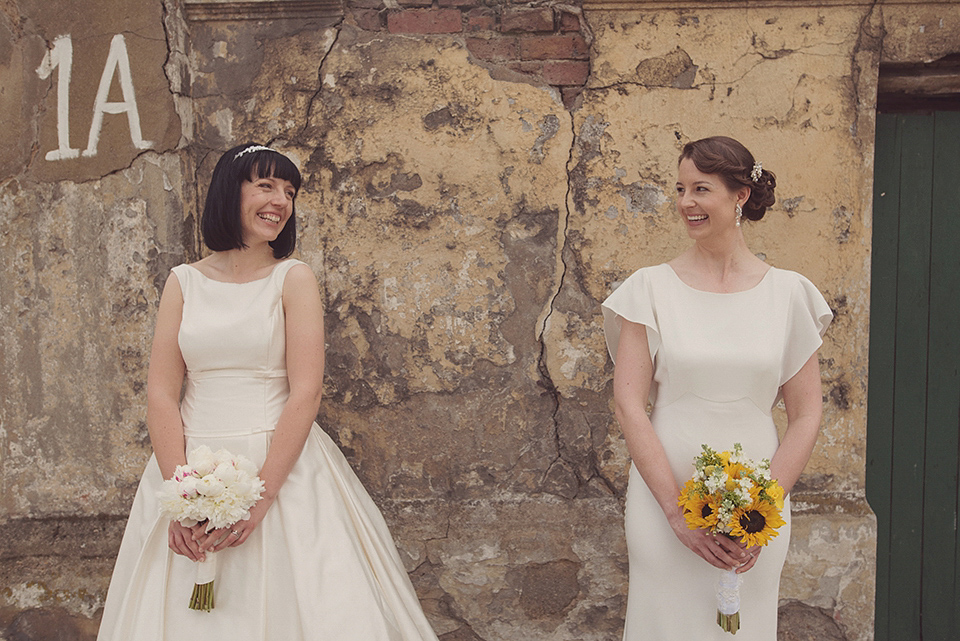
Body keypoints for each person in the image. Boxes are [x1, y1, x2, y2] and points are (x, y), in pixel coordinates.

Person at [97, 143, 440, 641]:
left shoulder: (292, 279)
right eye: (265, 186)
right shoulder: (183, 282)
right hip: (188, 461)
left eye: (289, 192)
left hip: (281, 466)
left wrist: (260, 499)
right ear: (228, 192)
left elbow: (306, 392)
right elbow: (161, 395)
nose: (280, 201)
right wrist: (182, 498)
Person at [601, 136, 832, 640]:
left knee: (741, 630)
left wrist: (763, 507)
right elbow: (628, 405)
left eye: (701, 189)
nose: (686, 202)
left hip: (758, 505)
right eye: (680, 188)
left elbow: (807, 414)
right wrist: (676, 513)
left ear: (740, 196)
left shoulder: (789, 295)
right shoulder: (648, 289)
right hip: (664, 501)